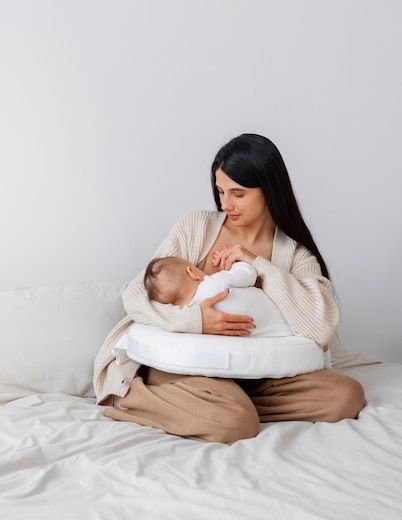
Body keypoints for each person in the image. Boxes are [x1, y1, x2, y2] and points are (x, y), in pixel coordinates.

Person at [93, 133, 365, 444]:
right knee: (236, 423)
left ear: (269, 190)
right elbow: (135, 295)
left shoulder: (293, 254)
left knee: (346, 395)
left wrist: (259, 264)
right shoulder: (195, 226)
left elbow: (320, 326)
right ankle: (135, 396)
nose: (225, 203)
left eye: (237, 193)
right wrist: (195, 322)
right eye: (220, 191)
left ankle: (225, 406)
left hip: (252, 374)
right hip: (184, 367)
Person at [143, 256, 293, 337]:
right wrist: (234, 264)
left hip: (267, 335)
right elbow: (249, 274)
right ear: (192, 273)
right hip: (287, 319)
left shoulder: (193, 316)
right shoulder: (214, 282)